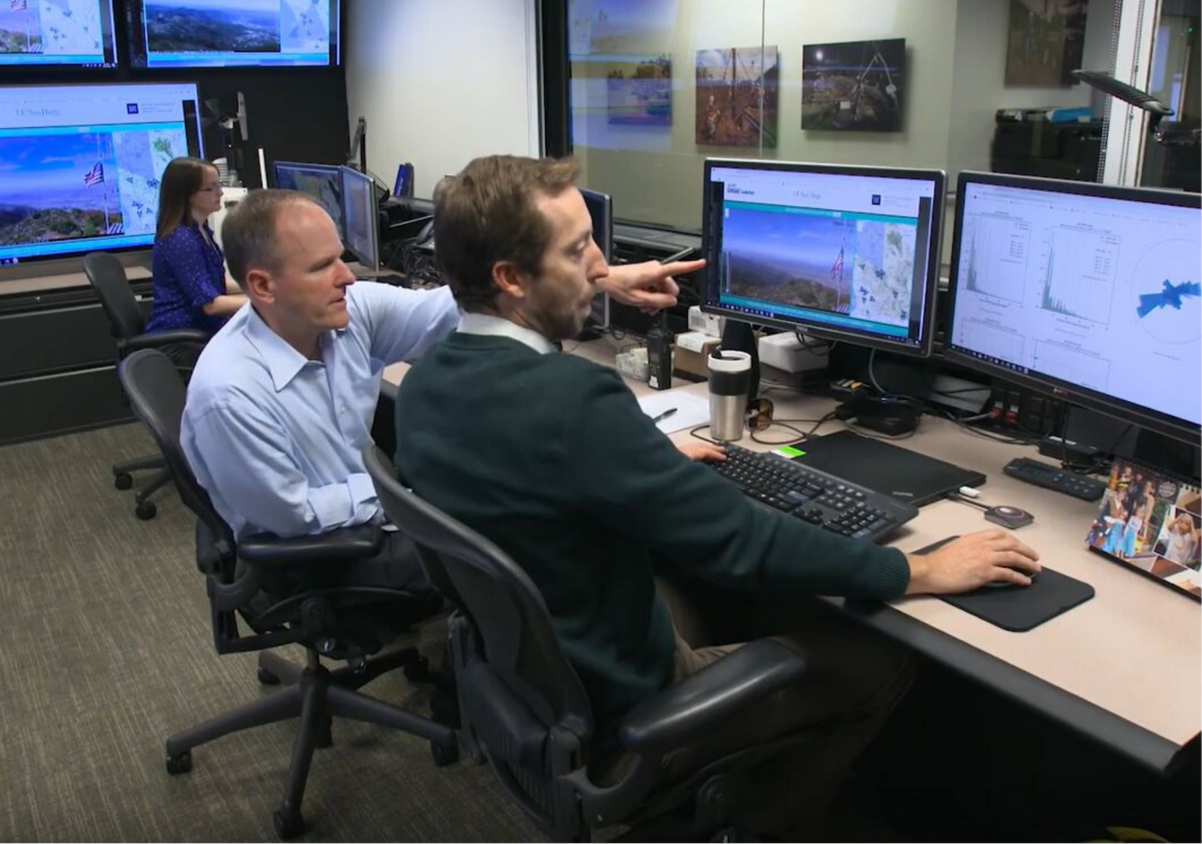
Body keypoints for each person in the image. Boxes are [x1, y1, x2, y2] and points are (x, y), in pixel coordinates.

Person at [393, 155, 1043, 836]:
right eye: (579, 248)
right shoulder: (571, 401)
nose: (600, 264)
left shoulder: (428, 383)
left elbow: (532, 460)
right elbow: (743, 541)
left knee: (718, 587)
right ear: (510, 278)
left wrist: (632, 455)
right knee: (880, 658)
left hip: (548, 673)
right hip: (625, 700)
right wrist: (919, 569)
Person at [179, 186, 706, 589]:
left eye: (341, 257)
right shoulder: (230, 393)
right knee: (530, 533)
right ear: (262, 287)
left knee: (518, 494)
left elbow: (452, 307)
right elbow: (295, 516)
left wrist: (601, 277)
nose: (347, 276)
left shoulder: (344, 314)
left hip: (370, 512)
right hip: (321, 555)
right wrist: (414, 490)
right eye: (322, 267)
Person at [147, 157, 247, 335]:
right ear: (187, 195)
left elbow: (214, 283)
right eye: (211, 188)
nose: (220, 193)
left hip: (203, 329)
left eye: (219, 184)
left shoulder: (200, 230)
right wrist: (264, 303)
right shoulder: (181, 240)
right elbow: (210, 305)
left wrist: (262, 287)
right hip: (183, 338)